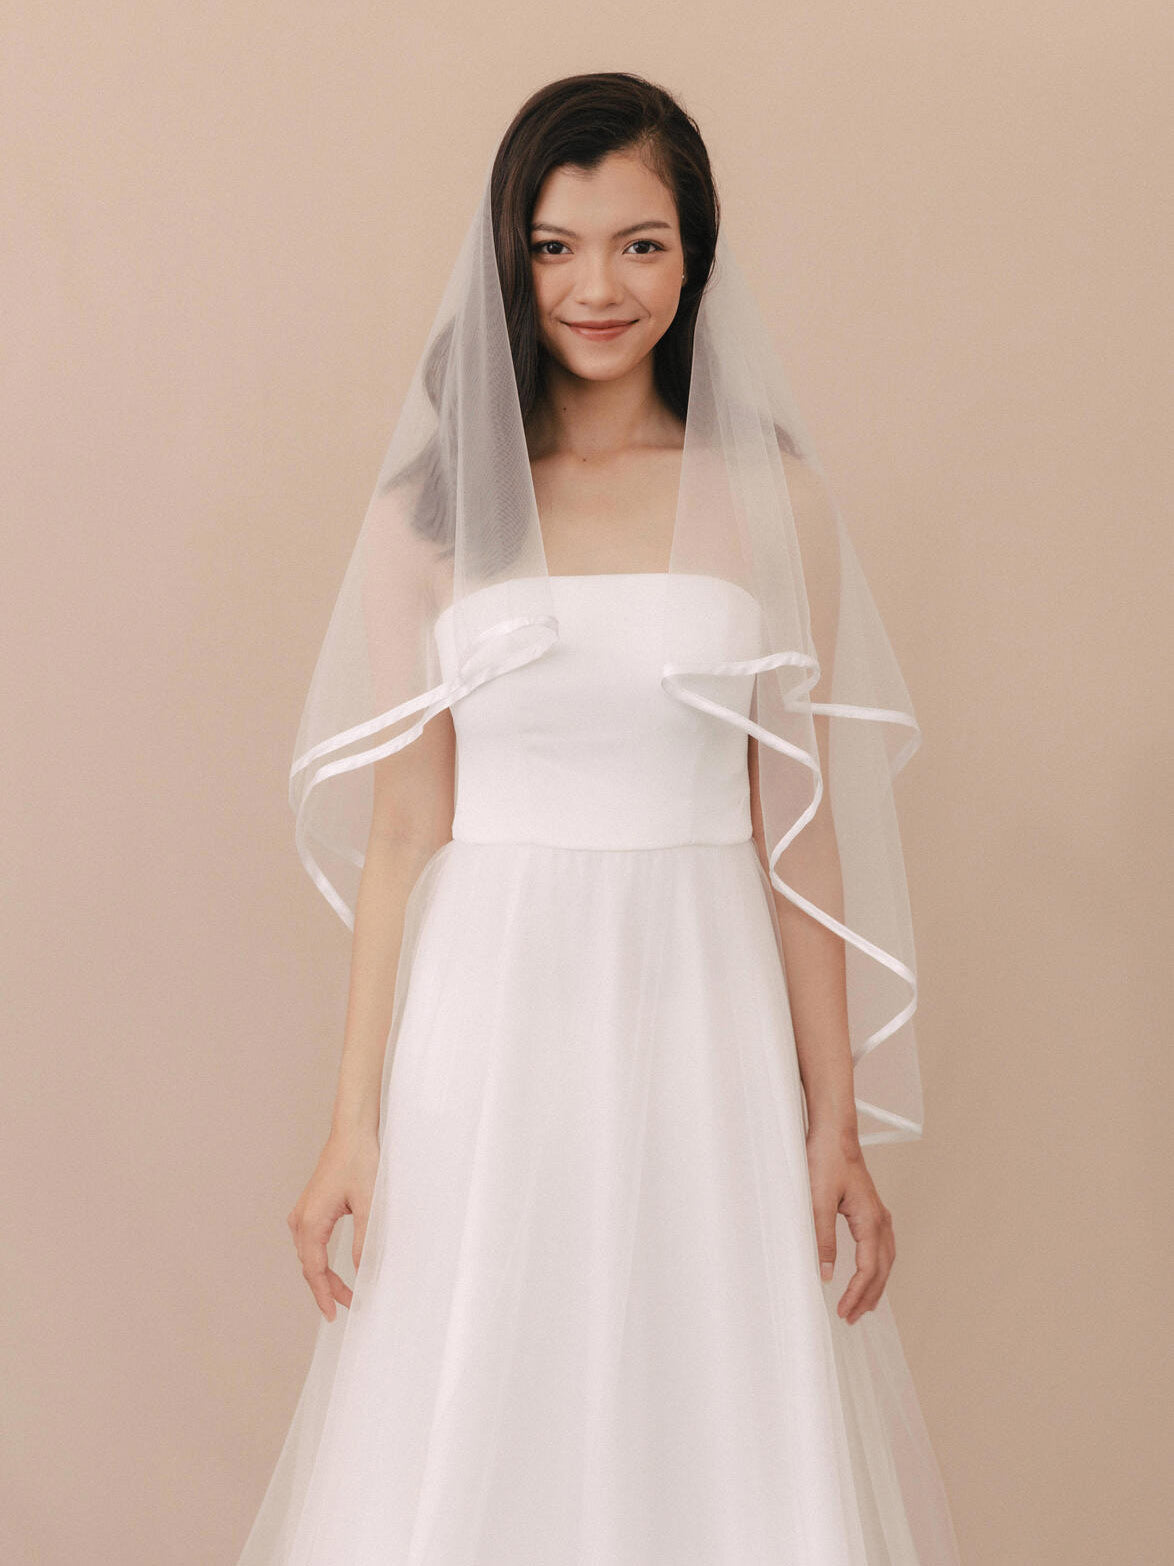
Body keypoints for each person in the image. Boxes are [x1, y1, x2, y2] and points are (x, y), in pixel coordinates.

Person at [237, 71, 961, 1565]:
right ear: (510, 257)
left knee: (706, 1403)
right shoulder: (427, 518)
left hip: (702, 1007)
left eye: (640, 243)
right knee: (476, 1399)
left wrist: (833, 1120)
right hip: (490, 1018)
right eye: (557, 245)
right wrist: (350, 1123)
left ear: (694, 259)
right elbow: (400, 835)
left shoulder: (772, 501)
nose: (597, 286)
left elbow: (795, 831)